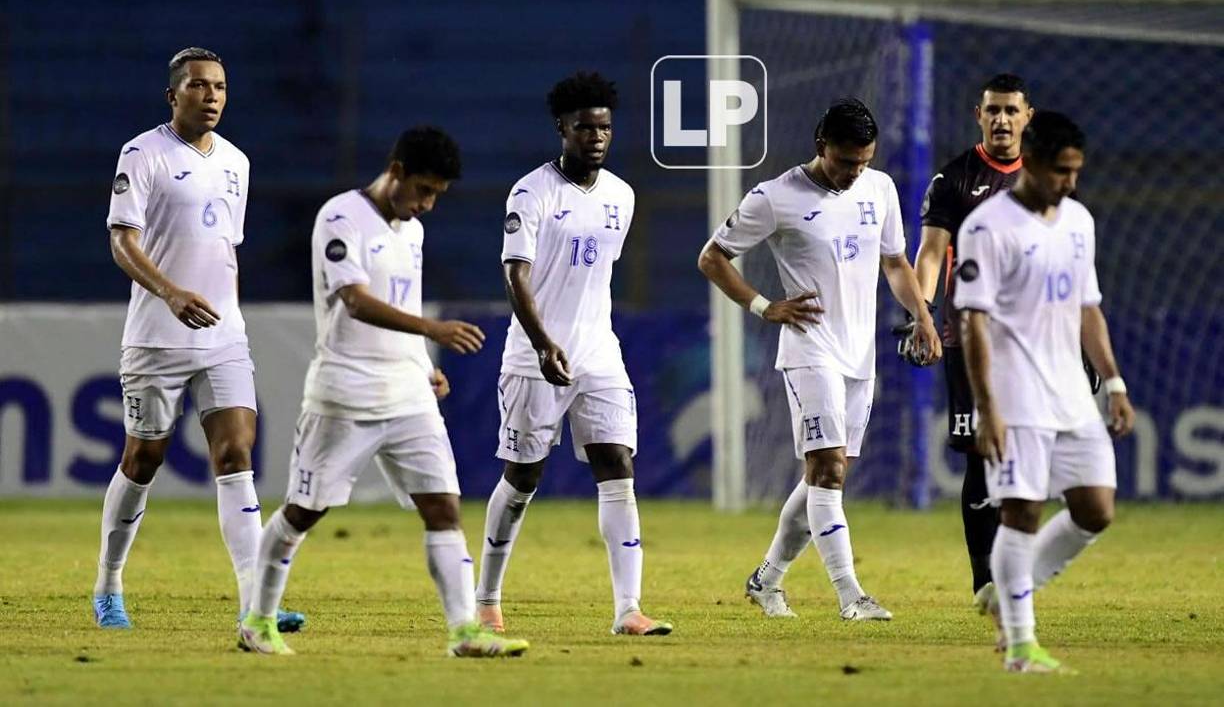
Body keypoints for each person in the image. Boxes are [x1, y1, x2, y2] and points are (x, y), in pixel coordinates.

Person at [237, 128, 529, 657]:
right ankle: (257, 620)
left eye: (437, 194)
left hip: (407, 395)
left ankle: (464, 632)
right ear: (396, 171)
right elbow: (354, 300)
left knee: (443, 506)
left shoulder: (412, 231)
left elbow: (403, 301)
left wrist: (422, 364)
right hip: (345, 393)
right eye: (423, 190)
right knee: (304, 510)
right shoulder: (341, 217)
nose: (427, 204)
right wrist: (432, 330)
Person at [698, 98, 940, 620]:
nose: (854, 172)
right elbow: (712, 257)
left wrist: (922, 314)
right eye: (845, 161)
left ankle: (766, 580)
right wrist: (764, 306)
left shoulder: (879, 188)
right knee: (827, 470)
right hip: (809, 349)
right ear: (820, 145)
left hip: (860, 355)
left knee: (822, 478)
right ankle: (851, 595)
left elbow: (895, 262)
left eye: (864, 161)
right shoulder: (775, 197)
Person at [95, 47, 304, 634]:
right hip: (157, 339)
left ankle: (255, 603)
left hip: (223, 338)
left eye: (219, 87)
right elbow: (122, 242)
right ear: (173, 95)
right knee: (143, 460)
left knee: (236, 456)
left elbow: (223, 250)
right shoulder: (143, 154)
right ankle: (108, 584)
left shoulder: (237, 161)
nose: (211, 96)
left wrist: (228, 315)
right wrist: (170, 293)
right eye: (198, 86)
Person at [475, 72, 672, 637]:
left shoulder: (621, 196)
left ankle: (628, 609)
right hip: (534, 356)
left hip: (598, 353)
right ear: (562, 128)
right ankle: (486, 599)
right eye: (585, 127)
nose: (597, 137)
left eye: (604, 128)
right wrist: (543, 343)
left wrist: (580, 342)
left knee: (618, 467)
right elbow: (516, 274)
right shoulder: (531, 193)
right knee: (523, 475)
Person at [956, 111, 1135, 673]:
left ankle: (1008, 592)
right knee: (1022, 513)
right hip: (1016, 395)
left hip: (1071, 392)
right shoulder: (987, 228)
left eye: (1076, 171)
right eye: (1061, 170)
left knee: (1096, 509)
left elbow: (1088, 308)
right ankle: (1021, 646)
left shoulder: (1078, 220)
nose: (1070, 182)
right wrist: (987, 407)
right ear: (1030, 163)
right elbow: (973, 323)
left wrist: (1113, 381)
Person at [905, 73, 1033, 620]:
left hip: (1030, 340)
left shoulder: (1044, 179)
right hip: (968, 337)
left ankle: (1014, 569)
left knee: (1026, 454)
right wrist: (921, 315)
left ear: (1027, 117)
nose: (1001, 119)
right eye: (993, 110)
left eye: (1011, 110)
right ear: (978, 115)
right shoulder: (954, 179)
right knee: (980, 455)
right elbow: (932, 253)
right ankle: (985, 579)